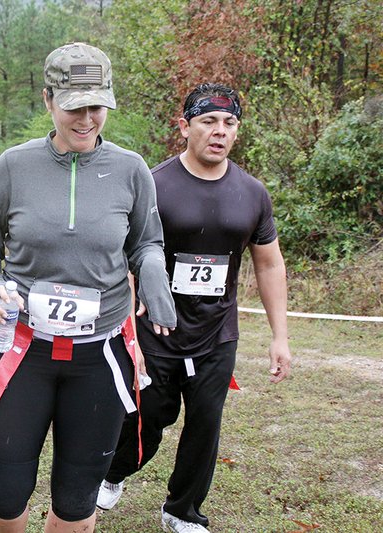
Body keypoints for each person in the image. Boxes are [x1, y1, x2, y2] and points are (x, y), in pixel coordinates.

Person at [0, 42, 176, 533]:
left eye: (96, 106)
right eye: (73, 107)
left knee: (79, 495)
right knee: (4, 489)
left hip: (100, 355)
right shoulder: (14, 167)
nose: (86, 119)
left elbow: (146, 243)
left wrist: (154, 281)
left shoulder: (131, 169)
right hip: (21, 349)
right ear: (47, 100)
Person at [98, 83, 292, 533]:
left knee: (206, 424)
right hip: (155, 330)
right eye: (208, 121)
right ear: (185, 127)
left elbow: (269, 264)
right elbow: (124, 264)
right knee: (148, 415)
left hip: (217, 334)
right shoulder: (154, 184)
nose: (219, 131)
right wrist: (129, 329)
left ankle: (182, 510)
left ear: (237, 132)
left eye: (229, 123)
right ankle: (114, 472)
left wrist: (280, 337)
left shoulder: (252, 193)